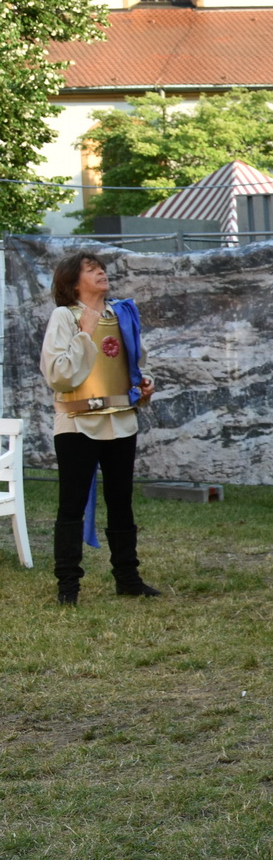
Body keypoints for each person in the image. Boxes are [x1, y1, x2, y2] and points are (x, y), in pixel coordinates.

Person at [39, 251, 158, 606]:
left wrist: (144, 385)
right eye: (91, 270)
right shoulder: (65, 316)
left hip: (121, 419)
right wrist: (85, 334)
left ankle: (128, 578)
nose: (101, 273)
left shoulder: (121, 314)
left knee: (121, 501)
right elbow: (58, 376)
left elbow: (134, 364)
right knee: (71, 504)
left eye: (102, 269)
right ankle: (68, 586)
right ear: (73, 282)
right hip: (77, 422)